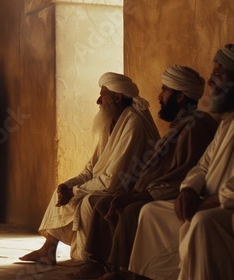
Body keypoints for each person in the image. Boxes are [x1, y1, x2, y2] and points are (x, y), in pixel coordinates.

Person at [71, 65, 217, 279]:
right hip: (153, 190)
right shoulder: (181, 125)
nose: (159, 96)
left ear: (179, 97)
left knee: (130, 210)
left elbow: (184, 175)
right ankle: (100, 263)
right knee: (104, 202)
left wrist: (138, 195)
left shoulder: (196, 126)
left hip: (172, 194)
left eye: (165, 90)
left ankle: (125, 270)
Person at [19, 72, 160, 265]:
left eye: (102, 95)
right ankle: (48, 250)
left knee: (87, 202)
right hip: (110, 182)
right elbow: (91, 168)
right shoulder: (110, 122)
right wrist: (68, 186)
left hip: (129, 188)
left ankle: (90, 261)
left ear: (117, 98)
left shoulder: (134, 124)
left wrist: (75, 191)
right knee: (61, 191)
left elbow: (113, 180)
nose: (98, 100)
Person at [129, 44, 234, 280]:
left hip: (226, 207)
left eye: (218, 74)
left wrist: (210, 201)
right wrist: (188, 190)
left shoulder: (197, 124)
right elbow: (203, 166)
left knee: (202, 222)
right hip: (207, 200)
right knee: (151, 213)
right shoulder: (227, 122)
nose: (210, 81)